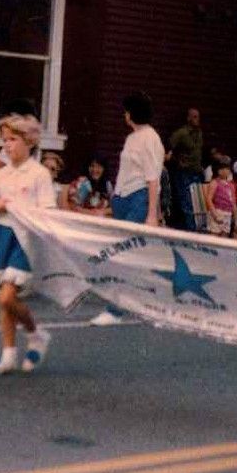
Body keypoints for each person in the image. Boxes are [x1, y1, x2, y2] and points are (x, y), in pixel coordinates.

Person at [0, 114, 54, 375]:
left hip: (26, 239)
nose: (6, 145)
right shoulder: (1, 175)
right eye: (4, 140)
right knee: (4, 300)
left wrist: (10, 206)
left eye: (12, 139)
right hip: (3, 235)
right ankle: (8, 355)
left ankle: (36, 334)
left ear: (29, 142)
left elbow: (46, 212)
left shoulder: (39, 174)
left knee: (7, 296)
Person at [90, 91, 165, 326]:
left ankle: (115, 310)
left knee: (123, 253)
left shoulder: (150, 138)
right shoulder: (132, 137)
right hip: (123, 199)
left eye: (126, 110)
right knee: (128, 254)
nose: (124, 114)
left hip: (139, 199)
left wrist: (152, 213)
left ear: (132, 113)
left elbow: (153, 178)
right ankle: (141, 301)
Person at [168, 107, 204, 231]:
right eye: (194, 117)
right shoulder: (182, 133)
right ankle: (190, 230)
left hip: (197, 172)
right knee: (187, 202)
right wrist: (177, 159)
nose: (196, 119)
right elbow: (170, 146)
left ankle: (198, 228)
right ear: (188, 118)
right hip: (185, 173)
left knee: (198, 203)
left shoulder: (199, 133)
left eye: (198, 117)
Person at [204, 157, 237, 238]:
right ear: (217, 170)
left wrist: (236, 219)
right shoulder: (215, 183)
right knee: (214, 237)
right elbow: (209, 199)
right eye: (221, 168)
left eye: (227, 168)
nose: (224, 171)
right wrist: (215, 214)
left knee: (224, 237)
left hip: (228, 214)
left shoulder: (231, 185)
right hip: (217, 212)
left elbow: (233, 202)